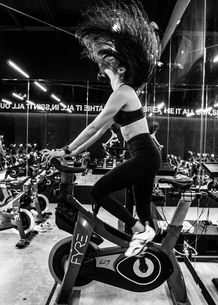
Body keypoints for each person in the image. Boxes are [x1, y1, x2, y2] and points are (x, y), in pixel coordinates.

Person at [42, 0, 161, 257]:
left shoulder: (124, 92)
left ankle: (139, 230)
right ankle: (148, 250)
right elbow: (98, 132)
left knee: (98, 191)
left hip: (145, 156)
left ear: (121, 68)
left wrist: (65, 149)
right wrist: (70, 153)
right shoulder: (121, 94)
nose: (105, 65)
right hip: (145, 156)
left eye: (110, 63)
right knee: (142, 210)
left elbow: (94, 125)